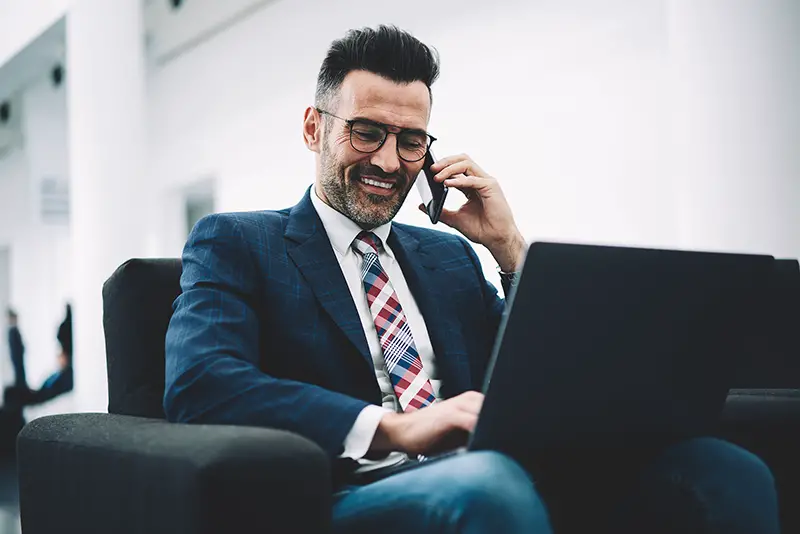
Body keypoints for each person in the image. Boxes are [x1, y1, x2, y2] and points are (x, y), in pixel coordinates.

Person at [164, 25, 779, 533]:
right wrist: (393, 427)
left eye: (411, 142)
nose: (387, 161)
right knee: (489, 486)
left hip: (495, 472)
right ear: (313, 128)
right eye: (367, 132)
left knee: (724, 468)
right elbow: (201, 383)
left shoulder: (450, 258)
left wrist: (509, 249)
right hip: (351, 492)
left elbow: (540, 378)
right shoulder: (239, 242)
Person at [6, 308, 27, 389]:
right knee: (19, 373)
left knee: (20, 373)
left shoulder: (14, 330)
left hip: (18, 357)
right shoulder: (12, 331)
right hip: (17, 357)